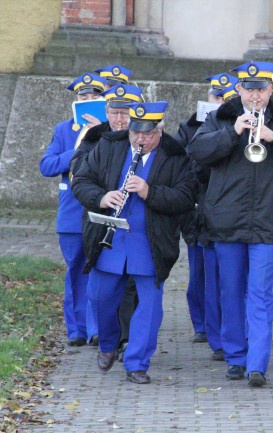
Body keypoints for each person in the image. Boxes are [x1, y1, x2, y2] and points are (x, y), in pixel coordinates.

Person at [187, 61, 273, 387]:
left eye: (262, 89)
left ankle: (257, 364)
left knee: (260, 292)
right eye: (250, 88)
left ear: (271, 90)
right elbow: (197, 151)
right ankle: (236, 356)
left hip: (269, 220)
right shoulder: (219, 118)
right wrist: (233, 132)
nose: (256, 94)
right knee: (231, 291)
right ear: (239, 89)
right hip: (228, 219)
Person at [72, 101, 197, 384]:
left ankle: (137, 362)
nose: (140, 139)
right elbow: (81, 180)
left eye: (148, 134)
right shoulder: (109, 146)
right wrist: (102, 198)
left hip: (150, 242)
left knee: (149, 306)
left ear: (160, 131)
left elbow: (186, 197)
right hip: (111, 239)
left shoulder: (176, 156)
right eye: (135, 132)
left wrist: (149, 191)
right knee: (101, 298)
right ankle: (107, 344)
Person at [70, 82, 144, 350]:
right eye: (114, 112)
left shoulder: (146, 138)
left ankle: (127, 340)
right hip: (102, 222)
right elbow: (79, 175)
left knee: (133, 285)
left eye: (126, 113)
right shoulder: (94, 137)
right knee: (105, 287)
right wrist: (101, 197)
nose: (119, 119)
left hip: (136, 225)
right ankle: (108, 334)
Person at [39, 72, 106, 347]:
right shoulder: (64, 130)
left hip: (101, 209)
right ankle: (77, 329)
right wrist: (78, 146)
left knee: (101, 270)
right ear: (75, 101)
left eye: (94, 97)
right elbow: (47, 166)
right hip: (71, 213)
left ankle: (97, 328)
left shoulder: (111, 130)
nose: (88, 101)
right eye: (83, 97)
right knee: (76, 268)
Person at [176, 73, 238, 359]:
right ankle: (200, 323)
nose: (220, 102)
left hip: (224, 210)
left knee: (222, 281)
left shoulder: (240, 125)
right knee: (198, 275)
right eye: (216, 97)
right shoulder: (189, 127)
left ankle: (220, 336)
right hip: (196, 211)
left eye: (226, 97)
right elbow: (185, 166)